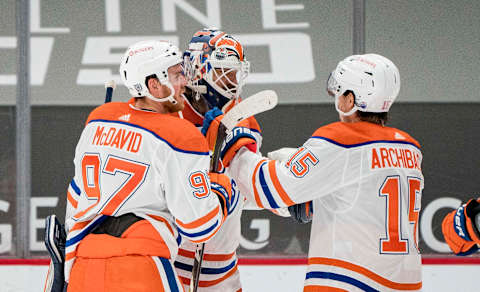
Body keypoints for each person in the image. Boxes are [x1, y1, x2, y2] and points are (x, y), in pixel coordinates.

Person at [204, 54, 424, 291]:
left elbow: (270, 188)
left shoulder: (340, 139)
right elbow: (359, 193)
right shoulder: (410, 148)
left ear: (350, 100)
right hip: (405, 281)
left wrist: (234, 149)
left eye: (339, 92)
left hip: (350, 282)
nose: (337, 98)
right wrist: (316, 197)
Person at [61, 40, 235, 292]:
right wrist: (218, 184)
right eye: (176, 75)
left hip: (84, 268)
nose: (183, 82)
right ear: (153, 84)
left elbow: (75, 197)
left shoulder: (98, 118)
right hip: (140, 269)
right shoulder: (181, 135)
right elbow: (200, 226)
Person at [171, 28, 262, 292]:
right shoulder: (168, 112)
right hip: (169, 262)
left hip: (220, 267)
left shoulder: (243, 118)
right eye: (224, 72)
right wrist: (200, 143)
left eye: (235, 72)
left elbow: (242, 190)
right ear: (198, 70)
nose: (232, 81)